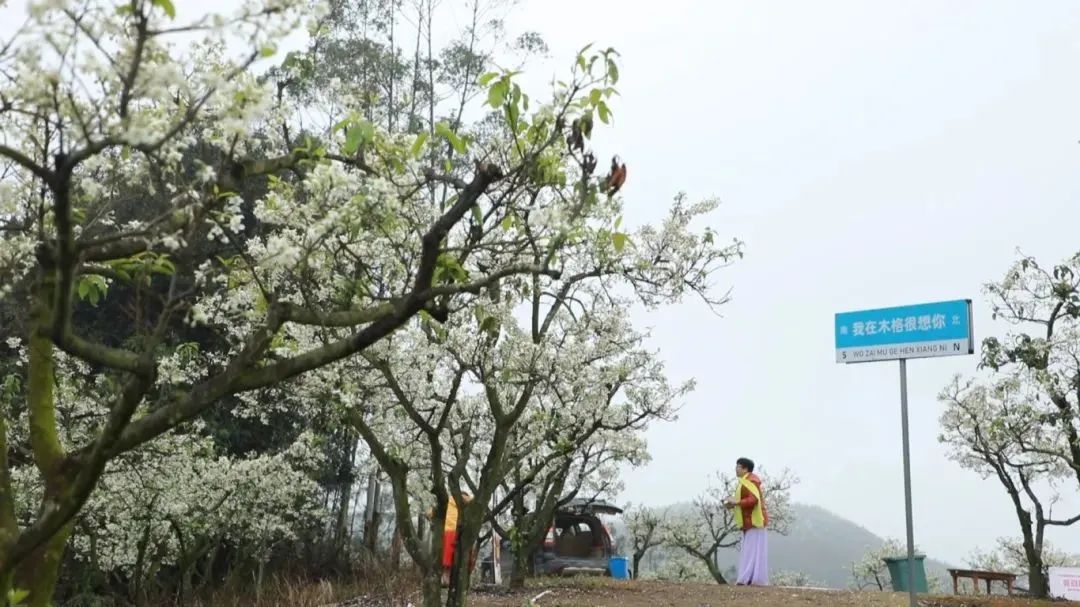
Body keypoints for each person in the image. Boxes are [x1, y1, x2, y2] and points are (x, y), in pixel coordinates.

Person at [724, 457, 769, 586]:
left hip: (755, 521)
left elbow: (753, 500)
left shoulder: (751, 481)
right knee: (750, 550)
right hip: (749, 521)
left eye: (738, 466)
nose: (736, 469)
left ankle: (748, 578)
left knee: (751, 550)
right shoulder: (745, 481)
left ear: (745, 468)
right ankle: (749, 577)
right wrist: (733, 504)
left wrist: (737, 502)